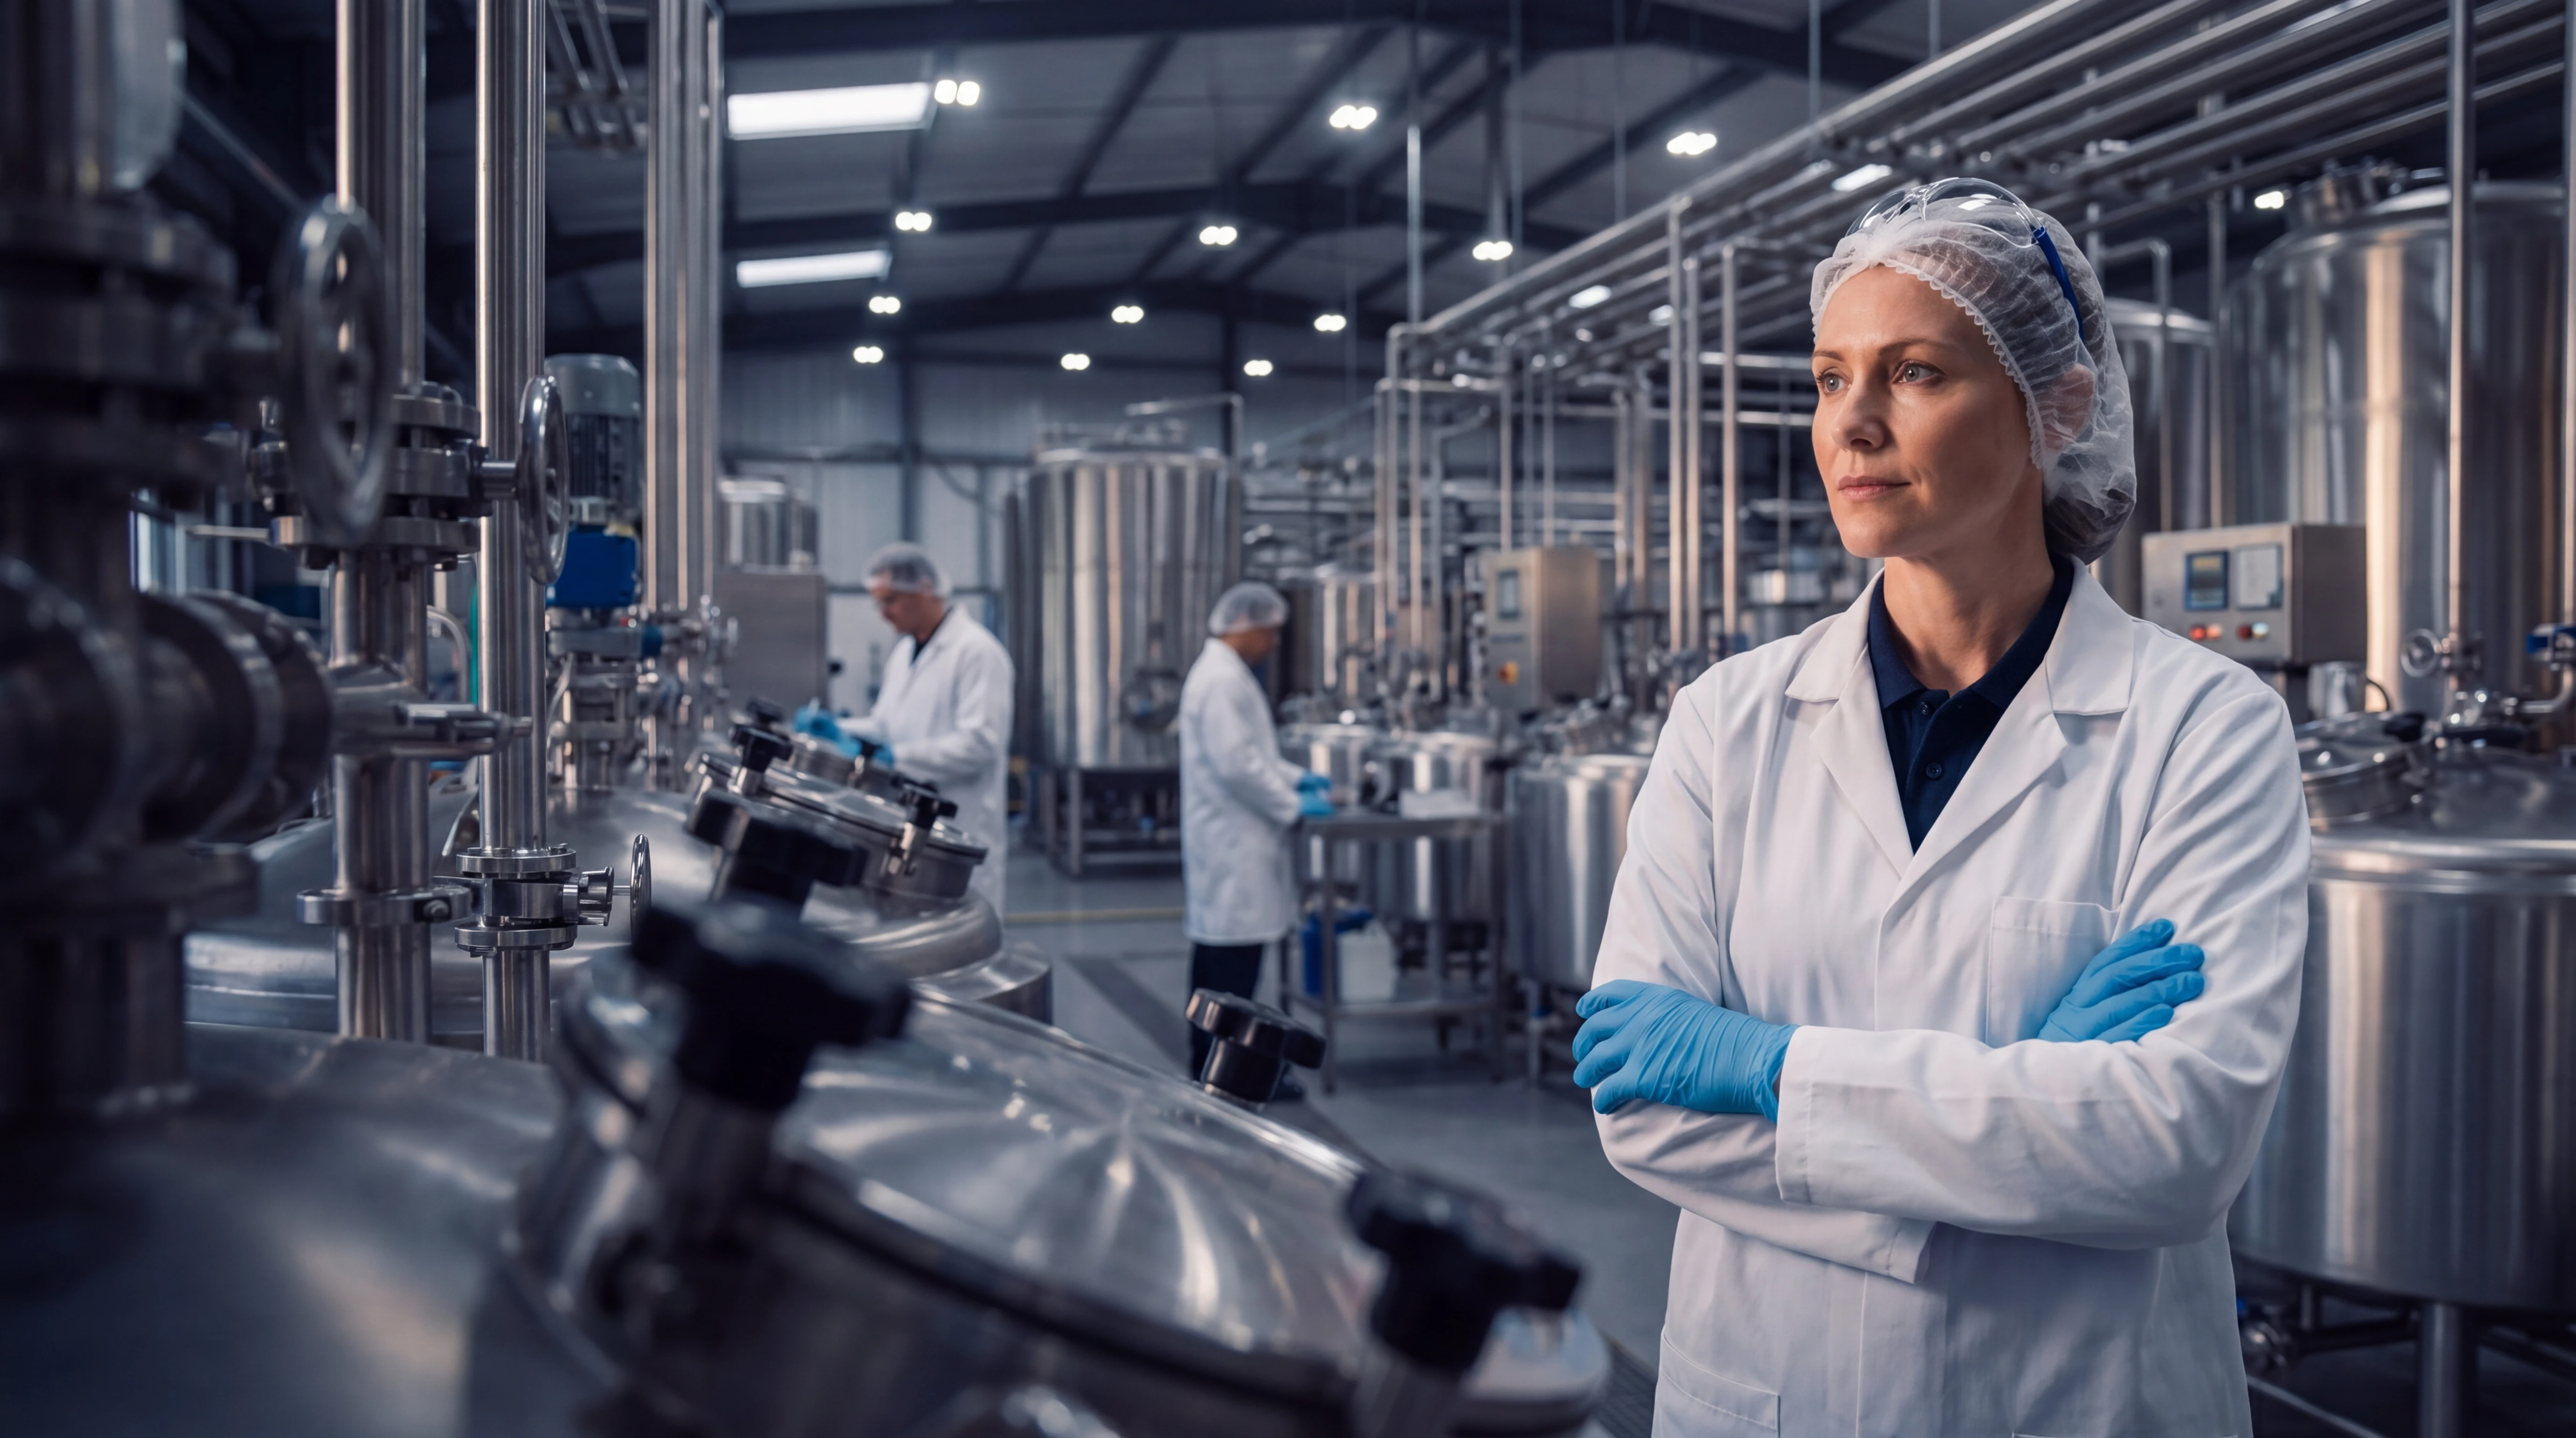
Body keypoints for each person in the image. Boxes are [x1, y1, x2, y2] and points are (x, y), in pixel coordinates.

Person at [1571, 179, 2308, 1436]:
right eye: (1825, 377)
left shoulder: (2205, 727)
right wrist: (2028, 1095)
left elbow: (2176, 1151)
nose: (1850, 426)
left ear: (2057, 407)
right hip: (1770, 1393)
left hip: (2075, 1400)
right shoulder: (1727, 722)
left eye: (1913, 373)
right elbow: (1643, 1119)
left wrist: (1771, 1069)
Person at [800, 542, 1015, 917]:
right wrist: (837, 728)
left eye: (891, 600)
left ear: (926, 589)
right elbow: (887, 723)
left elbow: (981, 744)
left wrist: (896, 759)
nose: (883, 613)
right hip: (906, 826)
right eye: (878, 602)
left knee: (960, 941)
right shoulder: (904, 652)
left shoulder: (978, 652)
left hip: (960, 825)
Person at [1178, 580, 1332, 1078]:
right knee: (1228, 974)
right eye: (1269, 633)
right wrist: (1293, 804)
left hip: (1234, 843)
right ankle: (1220, 1070)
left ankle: (1220, 1063)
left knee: (1226, 966)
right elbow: (1237, 767)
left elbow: (1254, 757)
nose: (1273, 644)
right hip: (1233, 846)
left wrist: (1296, 777)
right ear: (1243, 628)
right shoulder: (1220, 681)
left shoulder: (1225, 675)